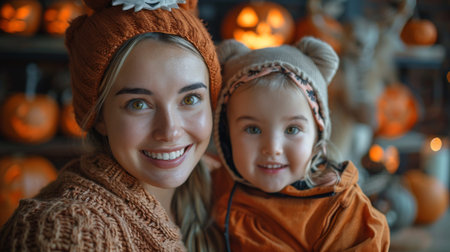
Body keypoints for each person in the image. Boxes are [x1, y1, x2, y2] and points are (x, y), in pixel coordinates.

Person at [0, 0, 224, 251]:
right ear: (99, 117)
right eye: (138, 104)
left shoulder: (227, 190)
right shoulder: (66, 230)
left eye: (190, 99)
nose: (170, 130)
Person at [211, 37, 390, 251]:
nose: (272, 148)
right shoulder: (216, 186)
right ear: (226, 133)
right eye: (253, 129)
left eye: (292, 129)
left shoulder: (339, 212)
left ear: (318, 135)